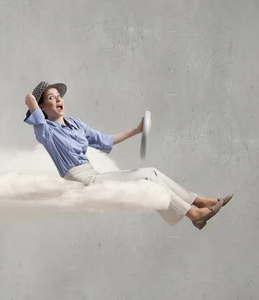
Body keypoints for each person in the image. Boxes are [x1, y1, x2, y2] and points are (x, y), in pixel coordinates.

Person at [23, 81, 232, 230]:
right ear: (42, 107)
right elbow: (30, 100)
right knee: (147, 175)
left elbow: (105, 139)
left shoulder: (76, 124)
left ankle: (199, 202)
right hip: (79, 179)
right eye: (52, 98)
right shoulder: (45, 131)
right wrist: (36, 100)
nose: (59, 99)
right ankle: (194, 214)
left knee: (152, 173)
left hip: (92, 174)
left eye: (59, 96)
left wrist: (136, 131)